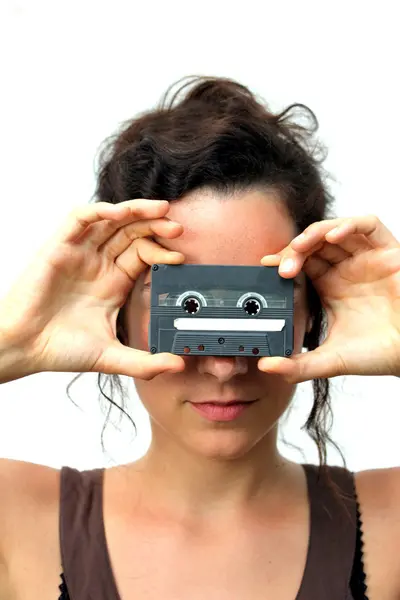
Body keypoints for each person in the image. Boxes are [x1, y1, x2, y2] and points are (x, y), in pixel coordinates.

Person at [0, 76, 399, 600]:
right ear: (117, 312)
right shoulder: (15, 517)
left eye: (259, 305)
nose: (223, 366)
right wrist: (13, 340)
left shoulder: (391, 524)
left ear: (313, 311)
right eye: (185, 307)